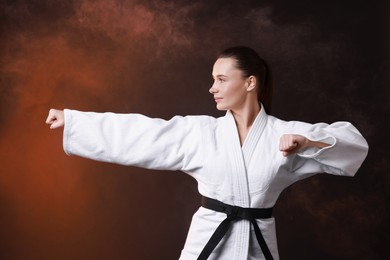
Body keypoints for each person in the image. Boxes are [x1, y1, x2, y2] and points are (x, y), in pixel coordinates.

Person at [46, 46, 369, 260]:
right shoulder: (202, 132)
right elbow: (144, 134)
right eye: (212, 79)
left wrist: (308, 143)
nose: (212, 87)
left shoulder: (284, 134)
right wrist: (75, 120)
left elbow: (352, 146)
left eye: (221, 79)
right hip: (207, 245)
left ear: (249, 82)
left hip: (259, 246)